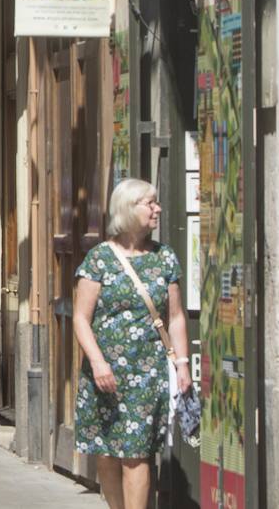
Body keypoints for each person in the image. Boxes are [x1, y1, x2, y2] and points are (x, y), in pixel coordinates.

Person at [73, 178, 190, 509]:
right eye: (149, 203)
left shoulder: (164, 258)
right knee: (108, 451)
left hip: (147, 371)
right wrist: (97, 362)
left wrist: (182, 364)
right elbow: (81, 318)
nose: (158, 209)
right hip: (103, 373)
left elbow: (176, 316)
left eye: (157, 202)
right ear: (127, 209)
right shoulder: (99, 259)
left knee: (137, 455)